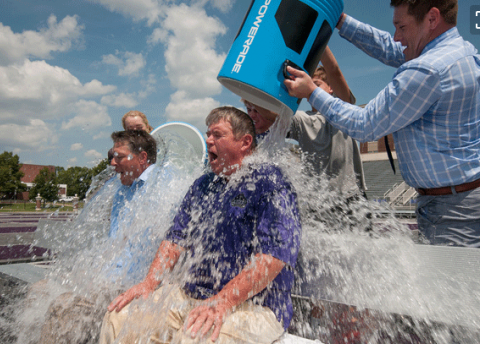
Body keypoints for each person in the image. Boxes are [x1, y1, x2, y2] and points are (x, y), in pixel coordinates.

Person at [285, 0, 480, 247]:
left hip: (453, 212)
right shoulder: (459, 51)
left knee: (452, 283)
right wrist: (340, 20)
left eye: (401, 26)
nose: (396, 37)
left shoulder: (428, 69)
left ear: (432, 19)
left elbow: (364, 124)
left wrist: (311, 92)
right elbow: (389, 48)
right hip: (458, 201)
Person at [99, 106, 302, 344]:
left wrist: (224, 301)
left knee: (195, 338)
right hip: (189, 296)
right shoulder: (203, 185)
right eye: (208, 134)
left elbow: (273, 257)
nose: (208, 140)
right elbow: (175, 239)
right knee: (119, 317)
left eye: (217, 135)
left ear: (245, 142)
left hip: (253, 306)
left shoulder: (271, 183)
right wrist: (149, 283)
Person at [37, 130, 160, 344]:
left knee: (64, 307)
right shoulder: (122, 190)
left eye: (119, 157)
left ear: (142, 158)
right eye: (111, 156)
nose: (112, 163)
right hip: (111, 276)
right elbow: (115, 243)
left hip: (136, 284)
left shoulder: (163, 184)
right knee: (38, 291)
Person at [244, 46, 366, 201]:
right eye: (309, 84)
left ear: (330, 88)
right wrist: (250, 90)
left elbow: (334, 70)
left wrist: (319, 38)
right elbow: (272, 115)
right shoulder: (303, 119)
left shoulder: (344, 111)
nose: (311, 87)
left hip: (352, 197)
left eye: (316, 84)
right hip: (319, 200)